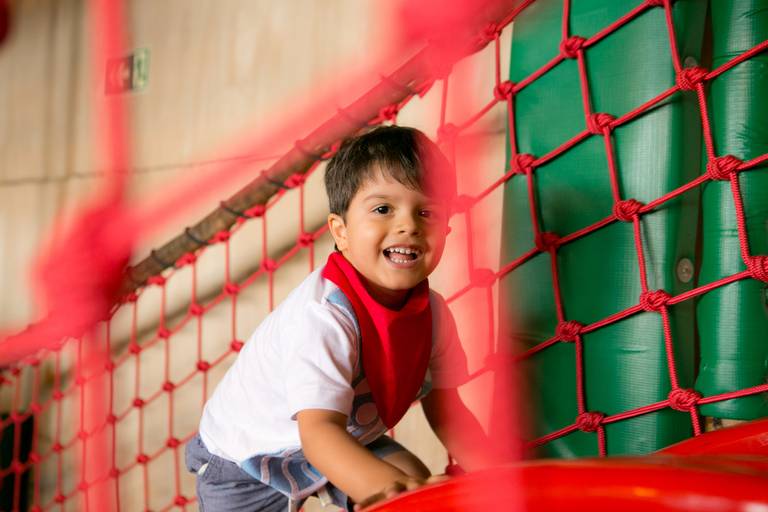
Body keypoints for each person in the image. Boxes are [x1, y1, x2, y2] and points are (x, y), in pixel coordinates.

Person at [186, 126, 499, 511]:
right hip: (246, 458)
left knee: (411, 474)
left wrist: (501, 476)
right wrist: (399, 493)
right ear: (341, 231)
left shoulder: (433, 316)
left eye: (427, 211)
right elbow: (318, 434)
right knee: (402, 490)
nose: (409, 225)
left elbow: (448, 411)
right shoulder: (323, 317)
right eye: (383, 209)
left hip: (344, 437)